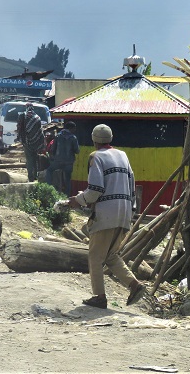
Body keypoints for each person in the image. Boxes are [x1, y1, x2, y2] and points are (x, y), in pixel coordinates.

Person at [67, 124, 145, 309]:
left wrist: (78, 200)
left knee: (95, 256)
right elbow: (132, 184)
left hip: (106, 213)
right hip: (125, 211)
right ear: (110, 139)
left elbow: (95, 189)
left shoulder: (96, 157)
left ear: (94, 140)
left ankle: (99, 297)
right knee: (111, 255)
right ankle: (135, 285)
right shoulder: (123, 155)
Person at [46, 121, 80, 196]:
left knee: (49, 170)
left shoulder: (58, 136)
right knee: (67, 179)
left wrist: (54, 158)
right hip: (69, 162)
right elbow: (77, 151)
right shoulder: (73, 138)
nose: (75, 130)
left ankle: (48, 187)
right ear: (71, 128)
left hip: (58, 161)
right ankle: (67, 196)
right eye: (74, 128)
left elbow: (53, 149)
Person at [16, 103, 45, 182]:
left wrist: (19, 138)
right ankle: (36, 175)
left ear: (26, 107)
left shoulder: (23, 116)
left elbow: (19, 127)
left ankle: (30, 176)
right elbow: (40, 131)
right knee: (35, 159)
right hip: (36, 142)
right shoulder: (37, 117)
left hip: (26, 142)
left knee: (29, 160)